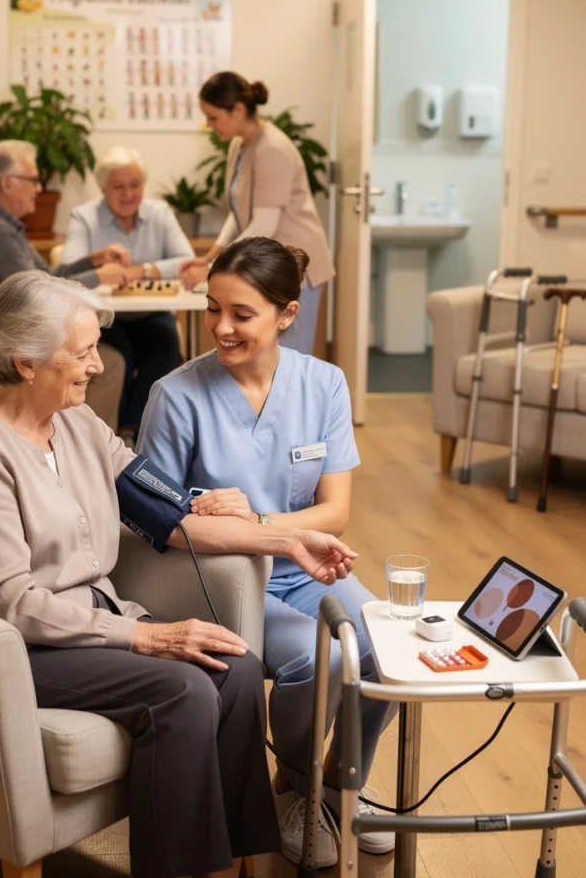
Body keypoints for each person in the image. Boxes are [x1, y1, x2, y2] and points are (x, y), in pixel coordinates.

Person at [0, 269, 358, 878]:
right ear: (27, 362)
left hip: (85, 624)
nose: (98, 366)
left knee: (237, 665)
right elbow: (11, 603)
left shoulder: (79, 426)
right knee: (181, 687)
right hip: (7, 647)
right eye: (84, 351)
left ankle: (228, 863)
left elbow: (171, 515)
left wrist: (285, 538)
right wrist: (148, 635)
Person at [138, 237, 395, 868]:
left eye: (242, 314)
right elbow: (158, 519)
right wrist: (253, 531)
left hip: (308, 567)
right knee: (317, 662)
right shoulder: (175, 396)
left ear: (286, 313)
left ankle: (341, 779)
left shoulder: (324, 384)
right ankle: (296, 788)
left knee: (383, 648)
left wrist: (259, 517)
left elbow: (334, 511)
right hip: (220, 577)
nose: (222, 328)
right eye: (212, 309)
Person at [0, 139, 129, 431]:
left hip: (5, 338)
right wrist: (101, 276)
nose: (39, 188)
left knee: (109, 357)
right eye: (32, 180)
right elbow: (39, 295)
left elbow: (47, 274)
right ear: (7, 184)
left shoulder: (3, 224)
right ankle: (87, 445)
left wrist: (92, 261)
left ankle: (81, 441)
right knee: (108, 365)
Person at [179, 72, 335, 355]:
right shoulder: (240, 145)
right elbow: (238, 212)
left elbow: (264, 223)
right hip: (270, 260)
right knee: (264, 360)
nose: (208, 124)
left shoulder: (272, 148)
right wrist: (210, 253)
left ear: (237, 110)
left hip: (298, 265)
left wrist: (214, 265)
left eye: (213, 117)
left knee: (289, 359)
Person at [61, 146, 195, 438]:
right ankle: (107, 435)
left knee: (166, 348)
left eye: (135, 185)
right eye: (118, 186)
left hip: (151, 313)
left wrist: (141, 271)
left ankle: (132, 429)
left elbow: (186, 261)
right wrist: (100, 267)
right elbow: (66, 270)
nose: (128, 194)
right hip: (105, 317)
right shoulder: (85, 216)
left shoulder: (159, 212)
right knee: (121, 357)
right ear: (103, 188)